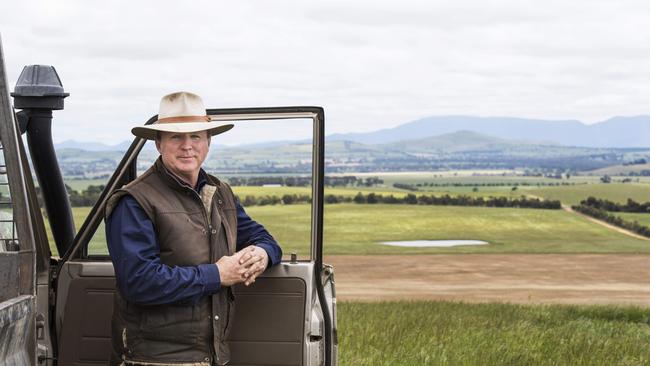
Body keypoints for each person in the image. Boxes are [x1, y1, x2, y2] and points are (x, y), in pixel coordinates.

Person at [105, 91, 282, 365]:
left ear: (208, 142)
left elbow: (261, 237)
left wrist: (262, 254)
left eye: (196, 136)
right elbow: (138, 282)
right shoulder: (134, 201)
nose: (187, 146)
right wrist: (217, 274)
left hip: (212, 356)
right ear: (159, 143)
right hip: (154, 360)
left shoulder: (220, 193)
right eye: (176, 136)